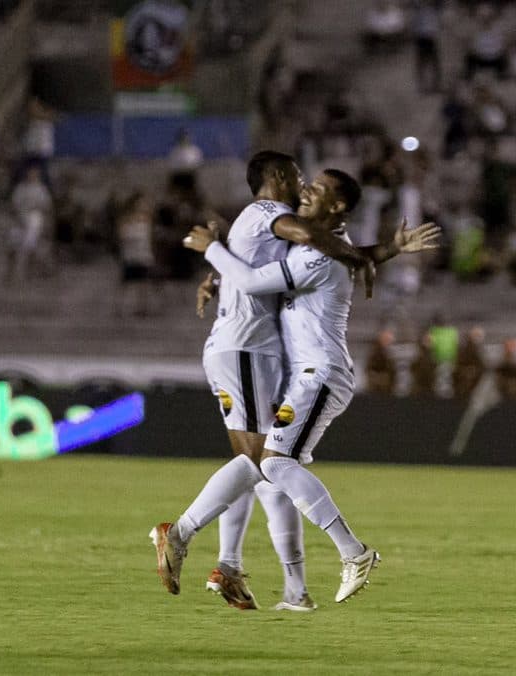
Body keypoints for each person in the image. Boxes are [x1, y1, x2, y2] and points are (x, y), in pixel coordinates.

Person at [157, 169, 438, 608]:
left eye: (318, 188)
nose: (306, 190)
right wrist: (217, 280)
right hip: (303, 374)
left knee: (273, 464)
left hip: (320, 373)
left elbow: (255, 279)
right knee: (261, 469)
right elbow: (261, 269)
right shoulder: (312, 246)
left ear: (338, 206)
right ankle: (269, 580)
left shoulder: (319, 256)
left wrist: (211, 250)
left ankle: (353, 552)